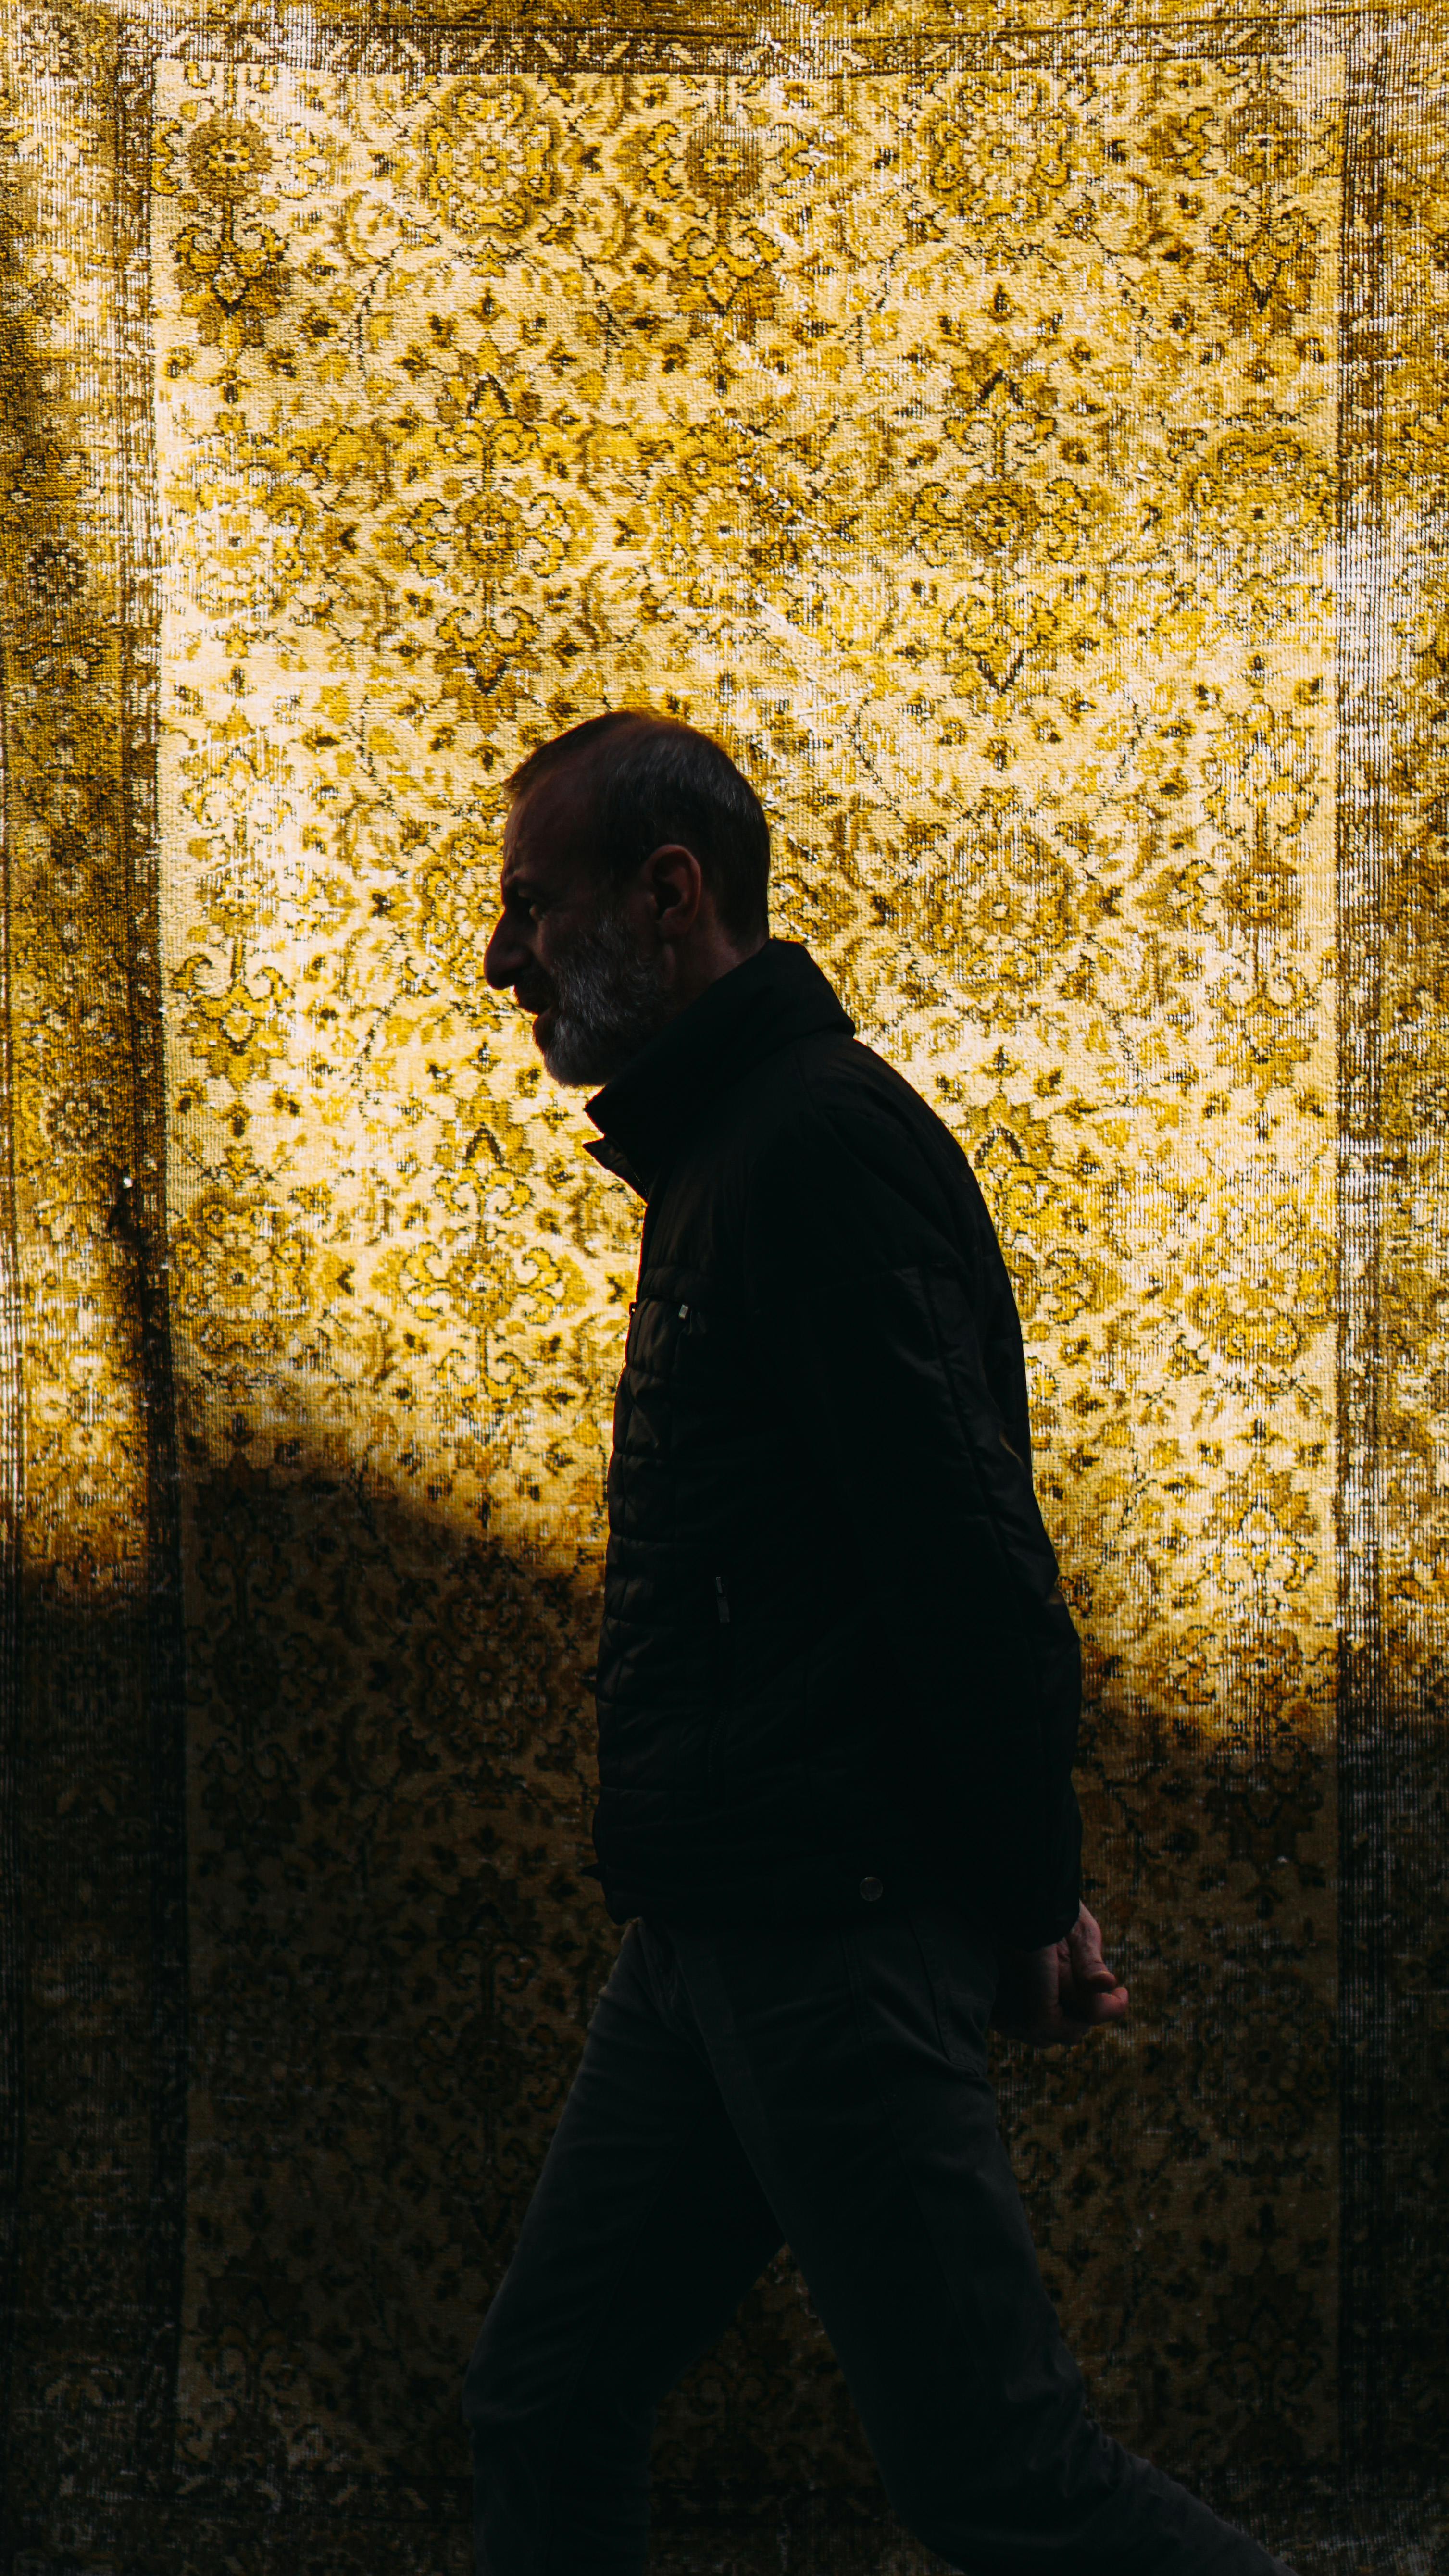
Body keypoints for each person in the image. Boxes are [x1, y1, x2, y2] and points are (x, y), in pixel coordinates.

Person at [463, 710, 1297, 2576]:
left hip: (820, 1926)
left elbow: (969, 1572)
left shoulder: (814, 1151)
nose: (499, 958)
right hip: (713, 1920)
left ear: (668, 894)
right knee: (547, 2396)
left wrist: (1017, 1902)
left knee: (1002, 2477)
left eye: (532, 907)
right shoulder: (730, 1150)